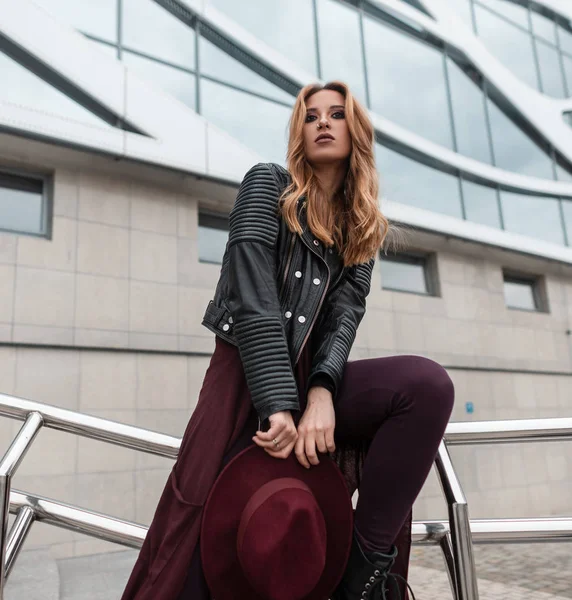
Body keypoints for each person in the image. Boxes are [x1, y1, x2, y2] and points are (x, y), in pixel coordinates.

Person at [120, 80, 454, 600]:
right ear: (299, 132)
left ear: (356, 133)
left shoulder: (361, 228)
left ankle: (359, 579)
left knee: (426, 386)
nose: (322, 121)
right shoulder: (265, 184)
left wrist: (321, 391)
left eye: (336, 114)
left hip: (313, 378)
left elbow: (345, 317)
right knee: (199, 548)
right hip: (243, 382)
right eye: (310, 115)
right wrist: (279, 404)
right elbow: (253, 301)